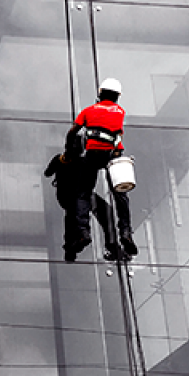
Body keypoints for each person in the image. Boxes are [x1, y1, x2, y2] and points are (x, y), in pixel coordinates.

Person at [61, 78, 138, 262]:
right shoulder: (120, 112)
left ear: (100, 92)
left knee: (83, 194)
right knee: (120, 194)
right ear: (118, 96)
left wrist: (68, 150)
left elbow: (73, 132)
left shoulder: (88, 111)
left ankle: (83, 232)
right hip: (111, 155)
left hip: (92, 155)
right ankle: (126, 232)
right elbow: (116, 139)